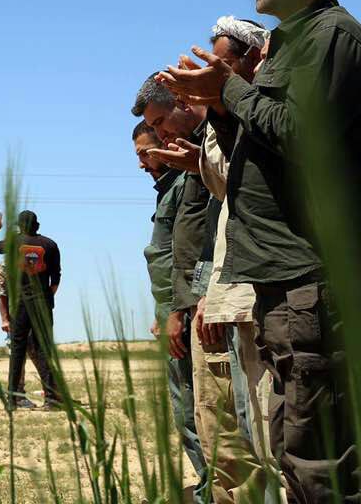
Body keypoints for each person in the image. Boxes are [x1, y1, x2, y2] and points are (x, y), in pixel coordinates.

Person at [160, 0, 361, 502]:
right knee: (294, 448)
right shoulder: (294, 42)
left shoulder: (335, 39)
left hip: (312, 275)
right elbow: (265, 147)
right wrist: (219, 103)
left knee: (319, 460)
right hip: (283, 276)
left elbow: (304, 137)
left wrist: (228, 92)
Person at [155, 17, 281, 504]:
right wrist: (200, 161)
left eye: (222, 65)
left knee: (269, 428)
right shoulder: (225, 123)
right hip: (229, 292)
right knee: (241, 422)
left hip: (255, 290)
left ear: (254, 62)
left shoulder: (264, 112)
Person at [132, 121, 209, 492]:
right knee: (186, 407)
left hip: (185, 311)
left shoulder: (186, 185)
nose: (143, 163)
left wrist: (179, 311)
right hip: (172, 310)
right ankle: (211, 485)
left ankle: (214, 490)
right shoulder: (168, 190)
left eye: (145, 152)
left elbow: (191, 254)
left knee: (194, 407)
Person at [0, 210, 61, 409]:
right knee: (45, 349)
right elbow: (56, 278)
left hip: (21, 304)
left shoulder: (14, 243)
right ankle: (51, 400)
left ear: (19, 226)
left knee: (17, 350)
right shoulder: (50, 244)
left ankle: (12, 399)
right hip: (43, 304)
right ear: (37, 225)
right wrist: (47, 297)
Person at [0, 259, 50, 407]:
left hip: (35, 314)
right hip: (17, 316)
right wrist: (5, 319)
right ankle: (18, 396)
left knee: (40, 353)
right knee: (19, 355)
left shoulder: (34, 260)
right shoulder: (5, 265)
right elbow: (2, 293)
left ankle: (52, 393)